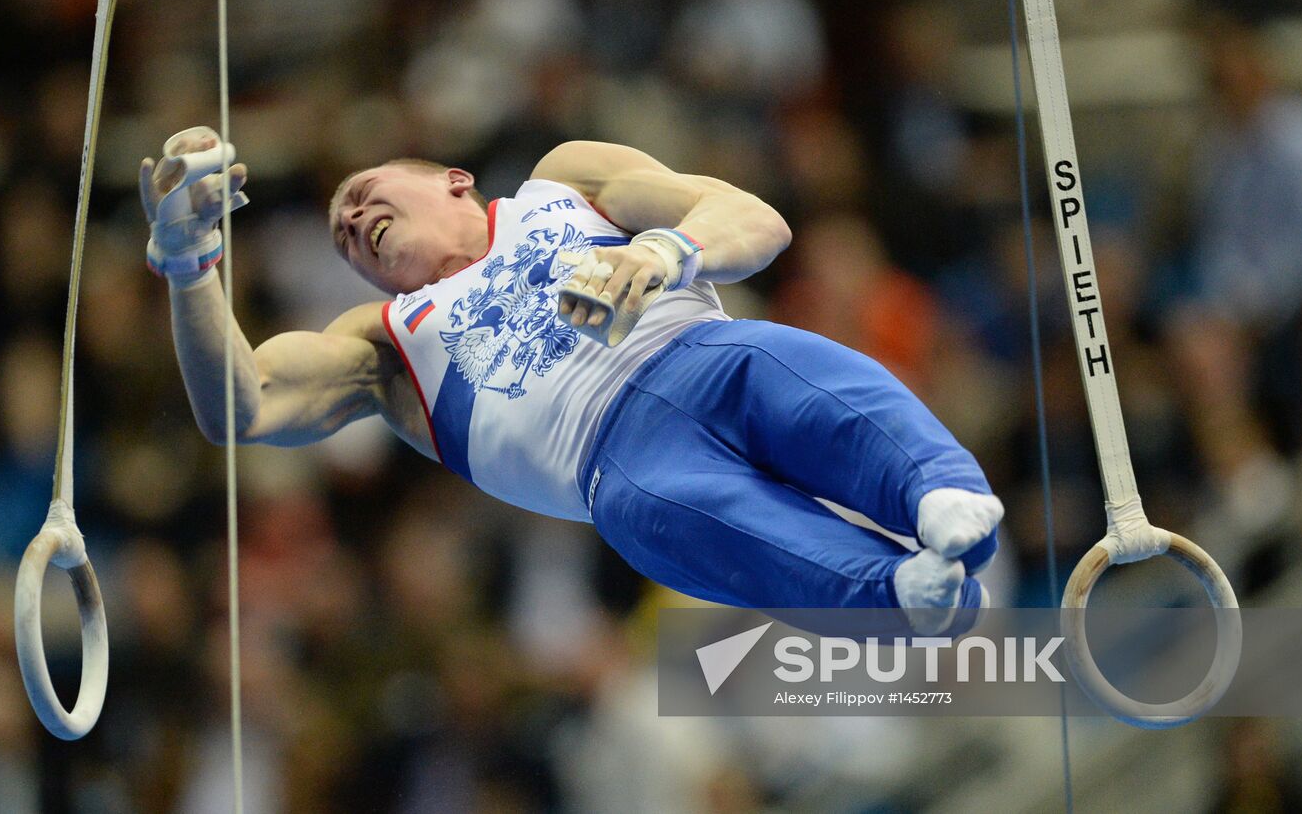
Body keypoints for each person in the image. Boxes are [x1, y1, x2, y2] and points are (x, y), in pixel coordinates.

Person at [140, 129, 1004, 634]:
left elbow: (757, 218)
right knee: (705, 521)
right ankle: (898, 596)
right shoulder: (384, 344)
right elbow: (237, 407)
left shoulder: (564, 182)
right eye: (342, 236)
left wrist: (665, 250)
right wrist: (188, 262)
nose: (352, 218)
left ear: (454, 179)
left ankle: (938, 494)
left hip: (704, 355)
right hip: (622, 467)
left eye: (365, 195)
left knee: (795, 373)